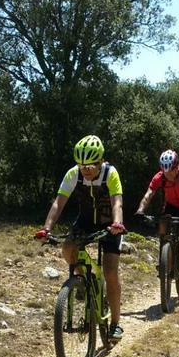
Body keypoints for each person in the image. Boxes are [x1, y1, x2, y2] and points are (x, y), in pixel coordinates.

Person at [35, 135, 127, 343]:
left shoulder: (110, 173)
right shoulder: (73, 174)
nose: (86, 170)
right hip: (85, 221)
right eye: (82, 165)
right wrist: (46, 228)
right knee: (68, 249)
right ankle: (85, 281)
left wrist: (117, 223)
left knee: (111, 271)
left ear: (101, 160)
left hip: (109, 223)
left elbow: (117, 202)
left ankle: (115, 324)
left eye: (91, 165)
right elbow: (59, 203)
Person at [135, 149, 179, 281]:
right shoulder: (159, 177)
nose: (168, 174)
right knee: (162, 231)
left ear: (177, 167)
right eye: (165, 171)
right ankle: (165, 261)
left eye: (171, 170)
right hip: (171, 207)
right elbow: (149, 194)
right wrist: (140, 210)